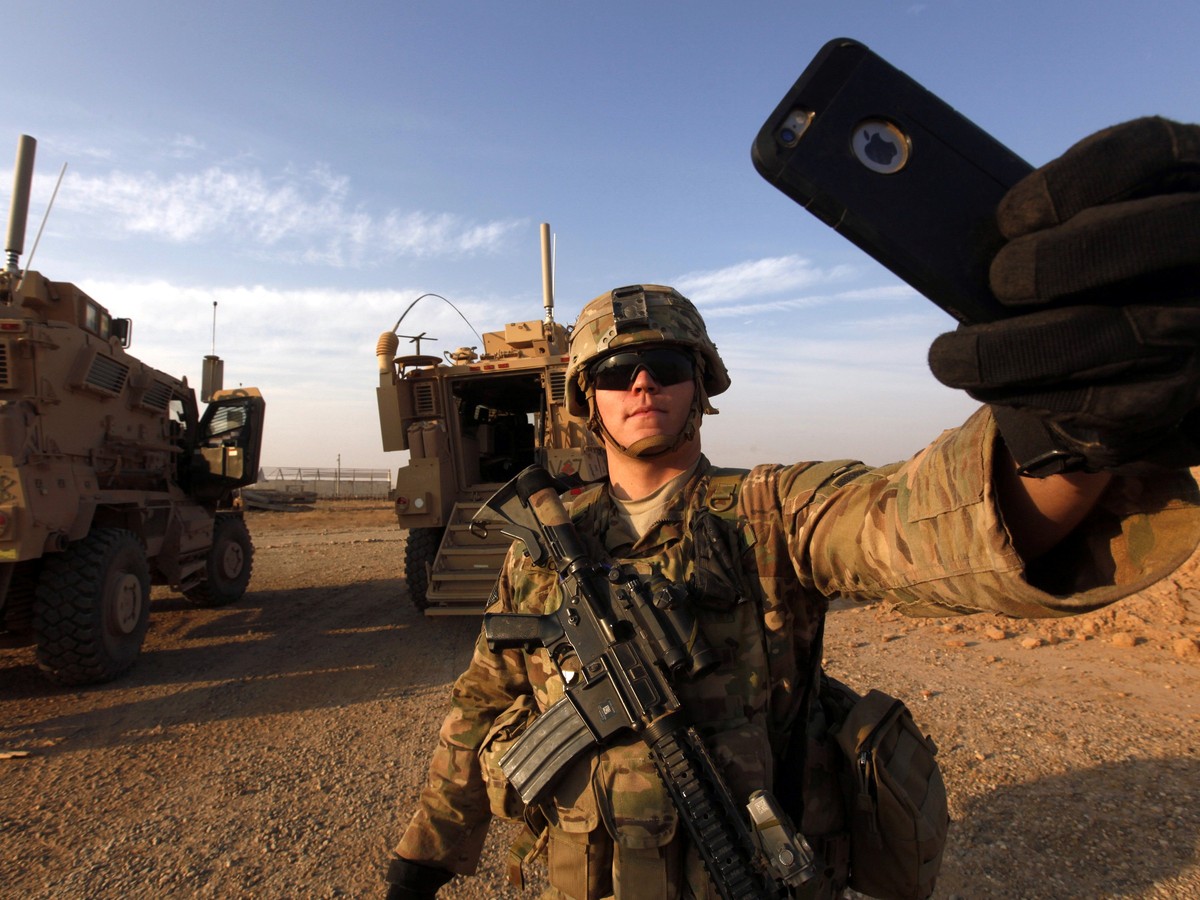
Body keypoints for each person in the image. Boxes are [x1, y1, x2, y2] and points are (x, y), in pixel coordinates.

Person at [385, 117, 1200, 899]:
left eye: (667, 365)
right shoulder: (541, 547)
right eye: (616, 371)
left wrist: (1069, 429)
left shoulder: (772, 512)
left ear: (701, 387)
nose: (642, 384)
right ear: (584, 401)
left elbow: (917, 524)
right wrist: (424, 857)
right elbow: (484, 702)